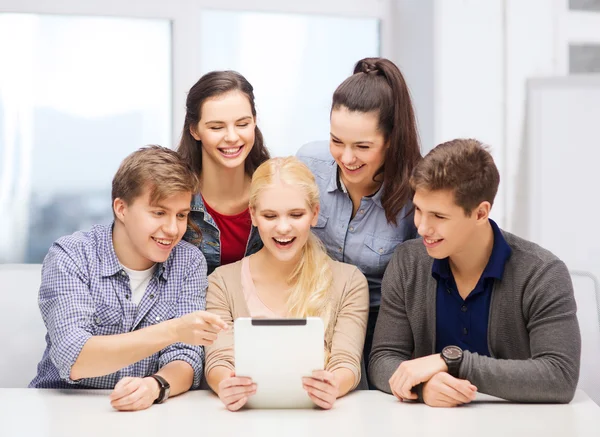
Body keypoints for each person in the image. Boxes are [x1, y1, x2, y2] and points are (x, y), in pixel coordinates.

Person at [369, 139, 581, 406]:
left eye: (439, 216)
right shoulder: (407, 262)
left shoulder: (542, 274)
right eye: (419, 210)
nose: (422, 227)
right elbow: (382, 359)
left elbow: (559, 377)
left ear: (481, 213)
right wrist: (424, 386)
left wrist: (451, 361)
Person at [30, 146, 227, 411]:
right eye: (158, 213)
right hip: (61, 407)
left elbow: (185, 356)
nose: (172, 229)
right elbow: (75, 358)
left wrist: (155, 386)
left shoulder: (188, 261)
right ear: (121, 208)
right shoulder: (71, 255)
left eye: (181, 215)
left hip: (148, 412)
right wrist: (173, 330)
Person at [204, 157, 369, 411]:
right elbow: (219, 359)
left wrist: (333, 385)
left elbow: (346, 362)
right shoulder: (222, 282)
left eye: (296, 214)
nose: (283, 228)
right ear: (253, 215)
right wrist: (225, 384)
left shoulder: (349, 281)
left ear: (314, 214)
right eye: (270, 215)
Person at [297, 57, 422, 368]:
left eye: (363, 147)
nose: (347, 157)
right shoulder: (308, 163)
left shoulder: (415, 191)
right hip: (308, 314)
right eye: (336, 141)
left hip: (378, 330)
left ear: (392, 140)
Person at [178, 71, 270, 275]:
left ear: (254, 121)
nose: (231, 137)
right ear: (194, 130)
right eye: (217, 127)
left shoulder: (276, 187)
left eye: (242, 124)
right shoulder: (174, 196)